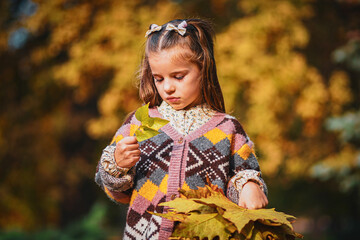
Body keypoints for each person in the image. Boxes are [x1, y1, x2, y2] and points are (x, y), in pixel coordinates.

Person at [95, 18, 268, 240]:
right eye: (158, 79)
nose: (167, 87)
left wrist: (249, 185)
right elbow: (114, 188)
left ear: (203, 68)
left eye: (178, 76)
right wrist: (117, 165)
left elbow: (244, 172)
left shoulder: (227, 129)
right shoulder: (140, 124)